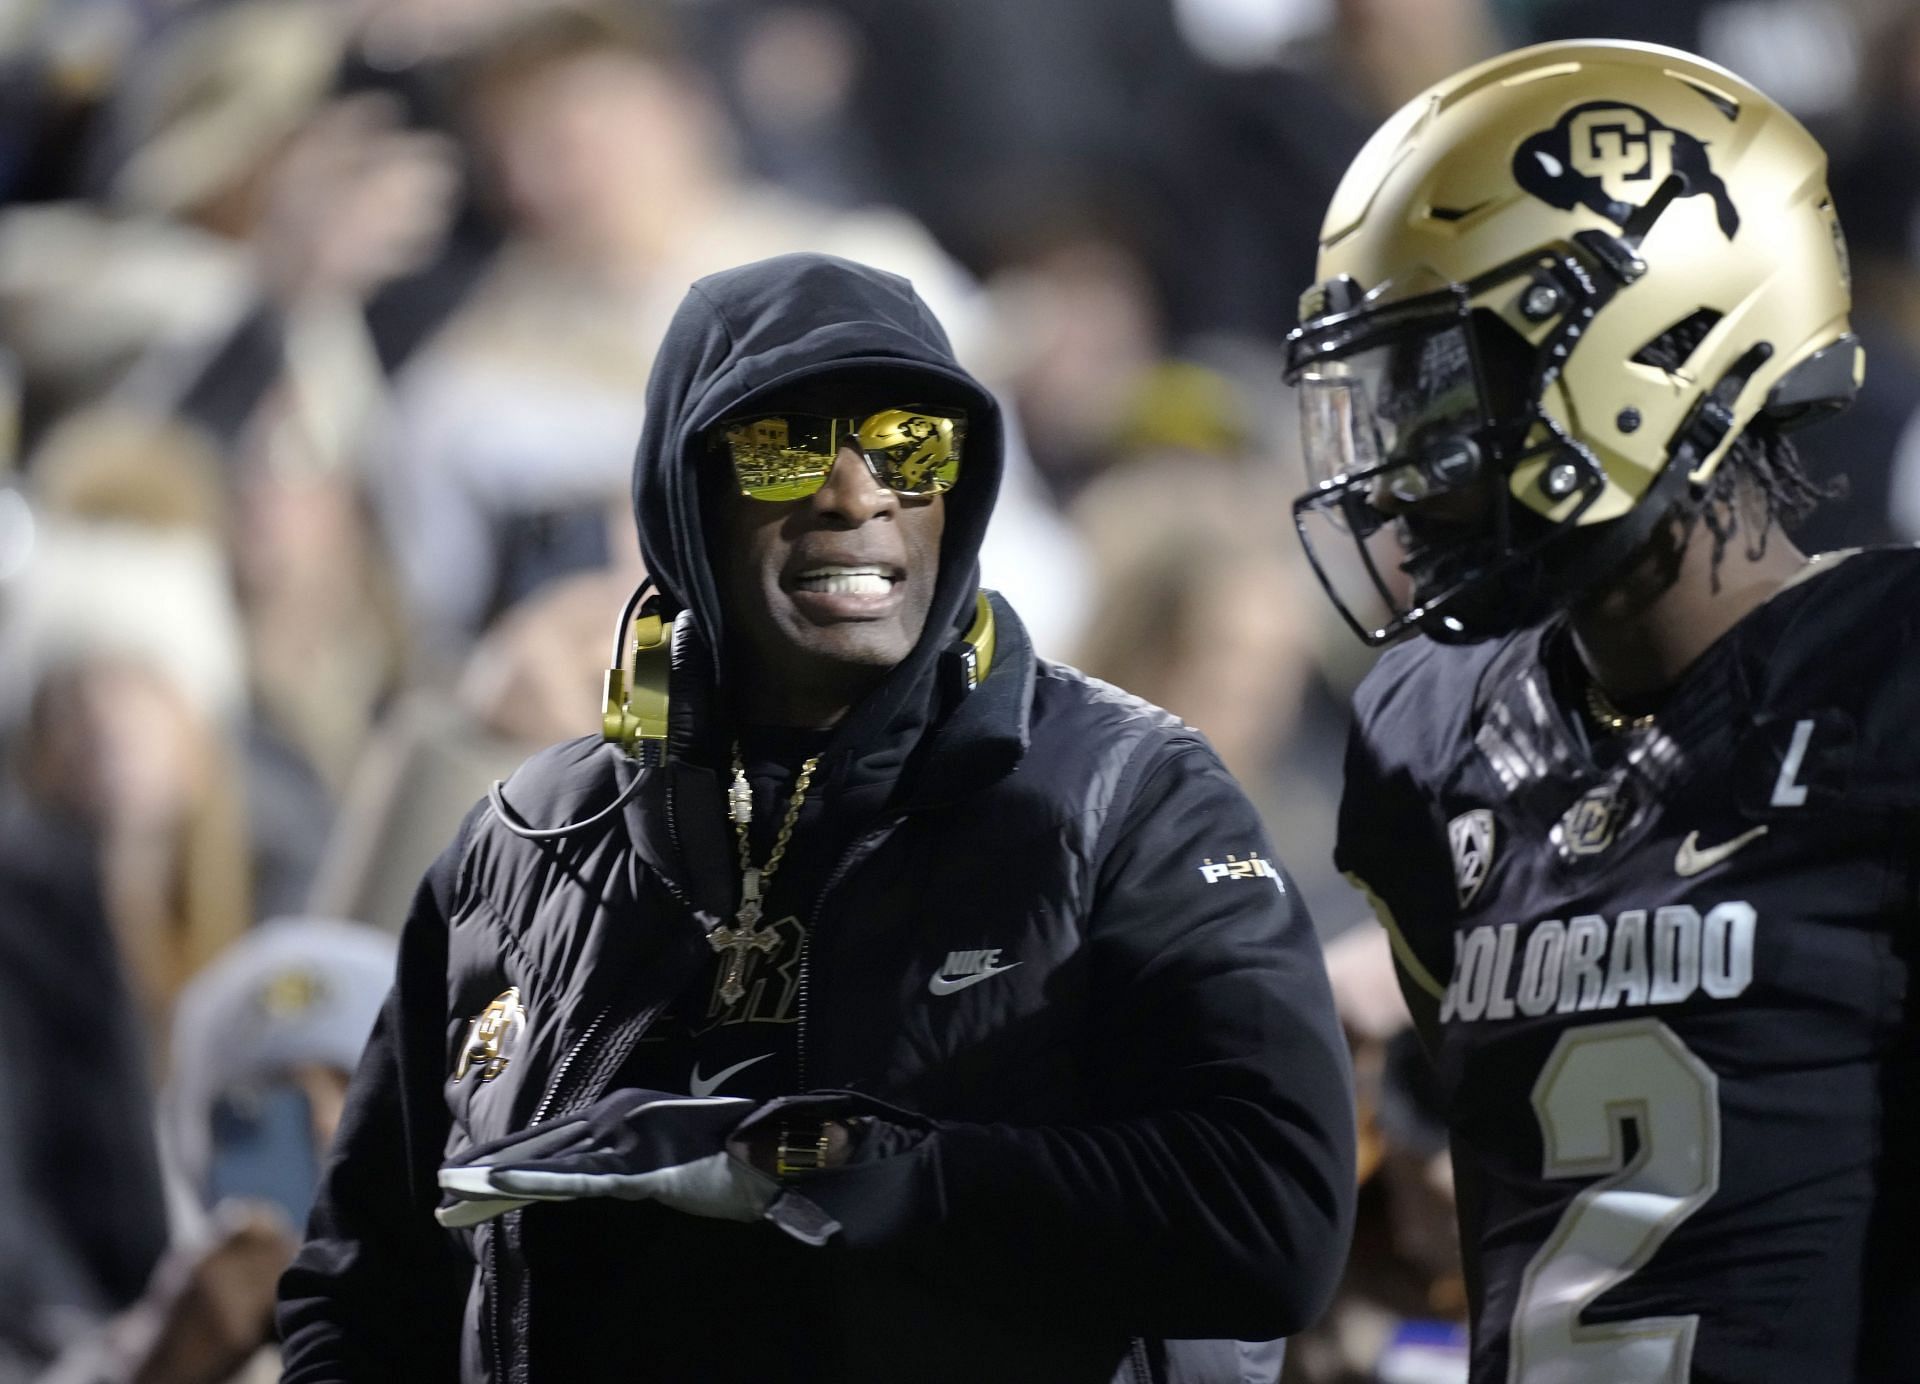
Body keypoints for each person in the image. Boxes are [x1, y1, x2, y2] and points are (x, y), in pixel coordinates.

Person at [278, 252, 1356, 1383]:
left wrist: (909, 1176)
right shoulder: (514, 850)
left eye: (910, 444)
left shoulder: (1130, 801)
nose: (856, 494)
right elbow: (358, 1293)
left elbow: (1275, 1214)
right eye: (786, 445)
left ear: (964, 486)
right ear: (683, 496)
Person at [1283, 38, 1917, 1383]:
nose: (1399, 471)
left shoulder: (1890, 685)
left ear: (1652, 340)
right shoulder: (1433, 739)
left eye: (1442, 387)